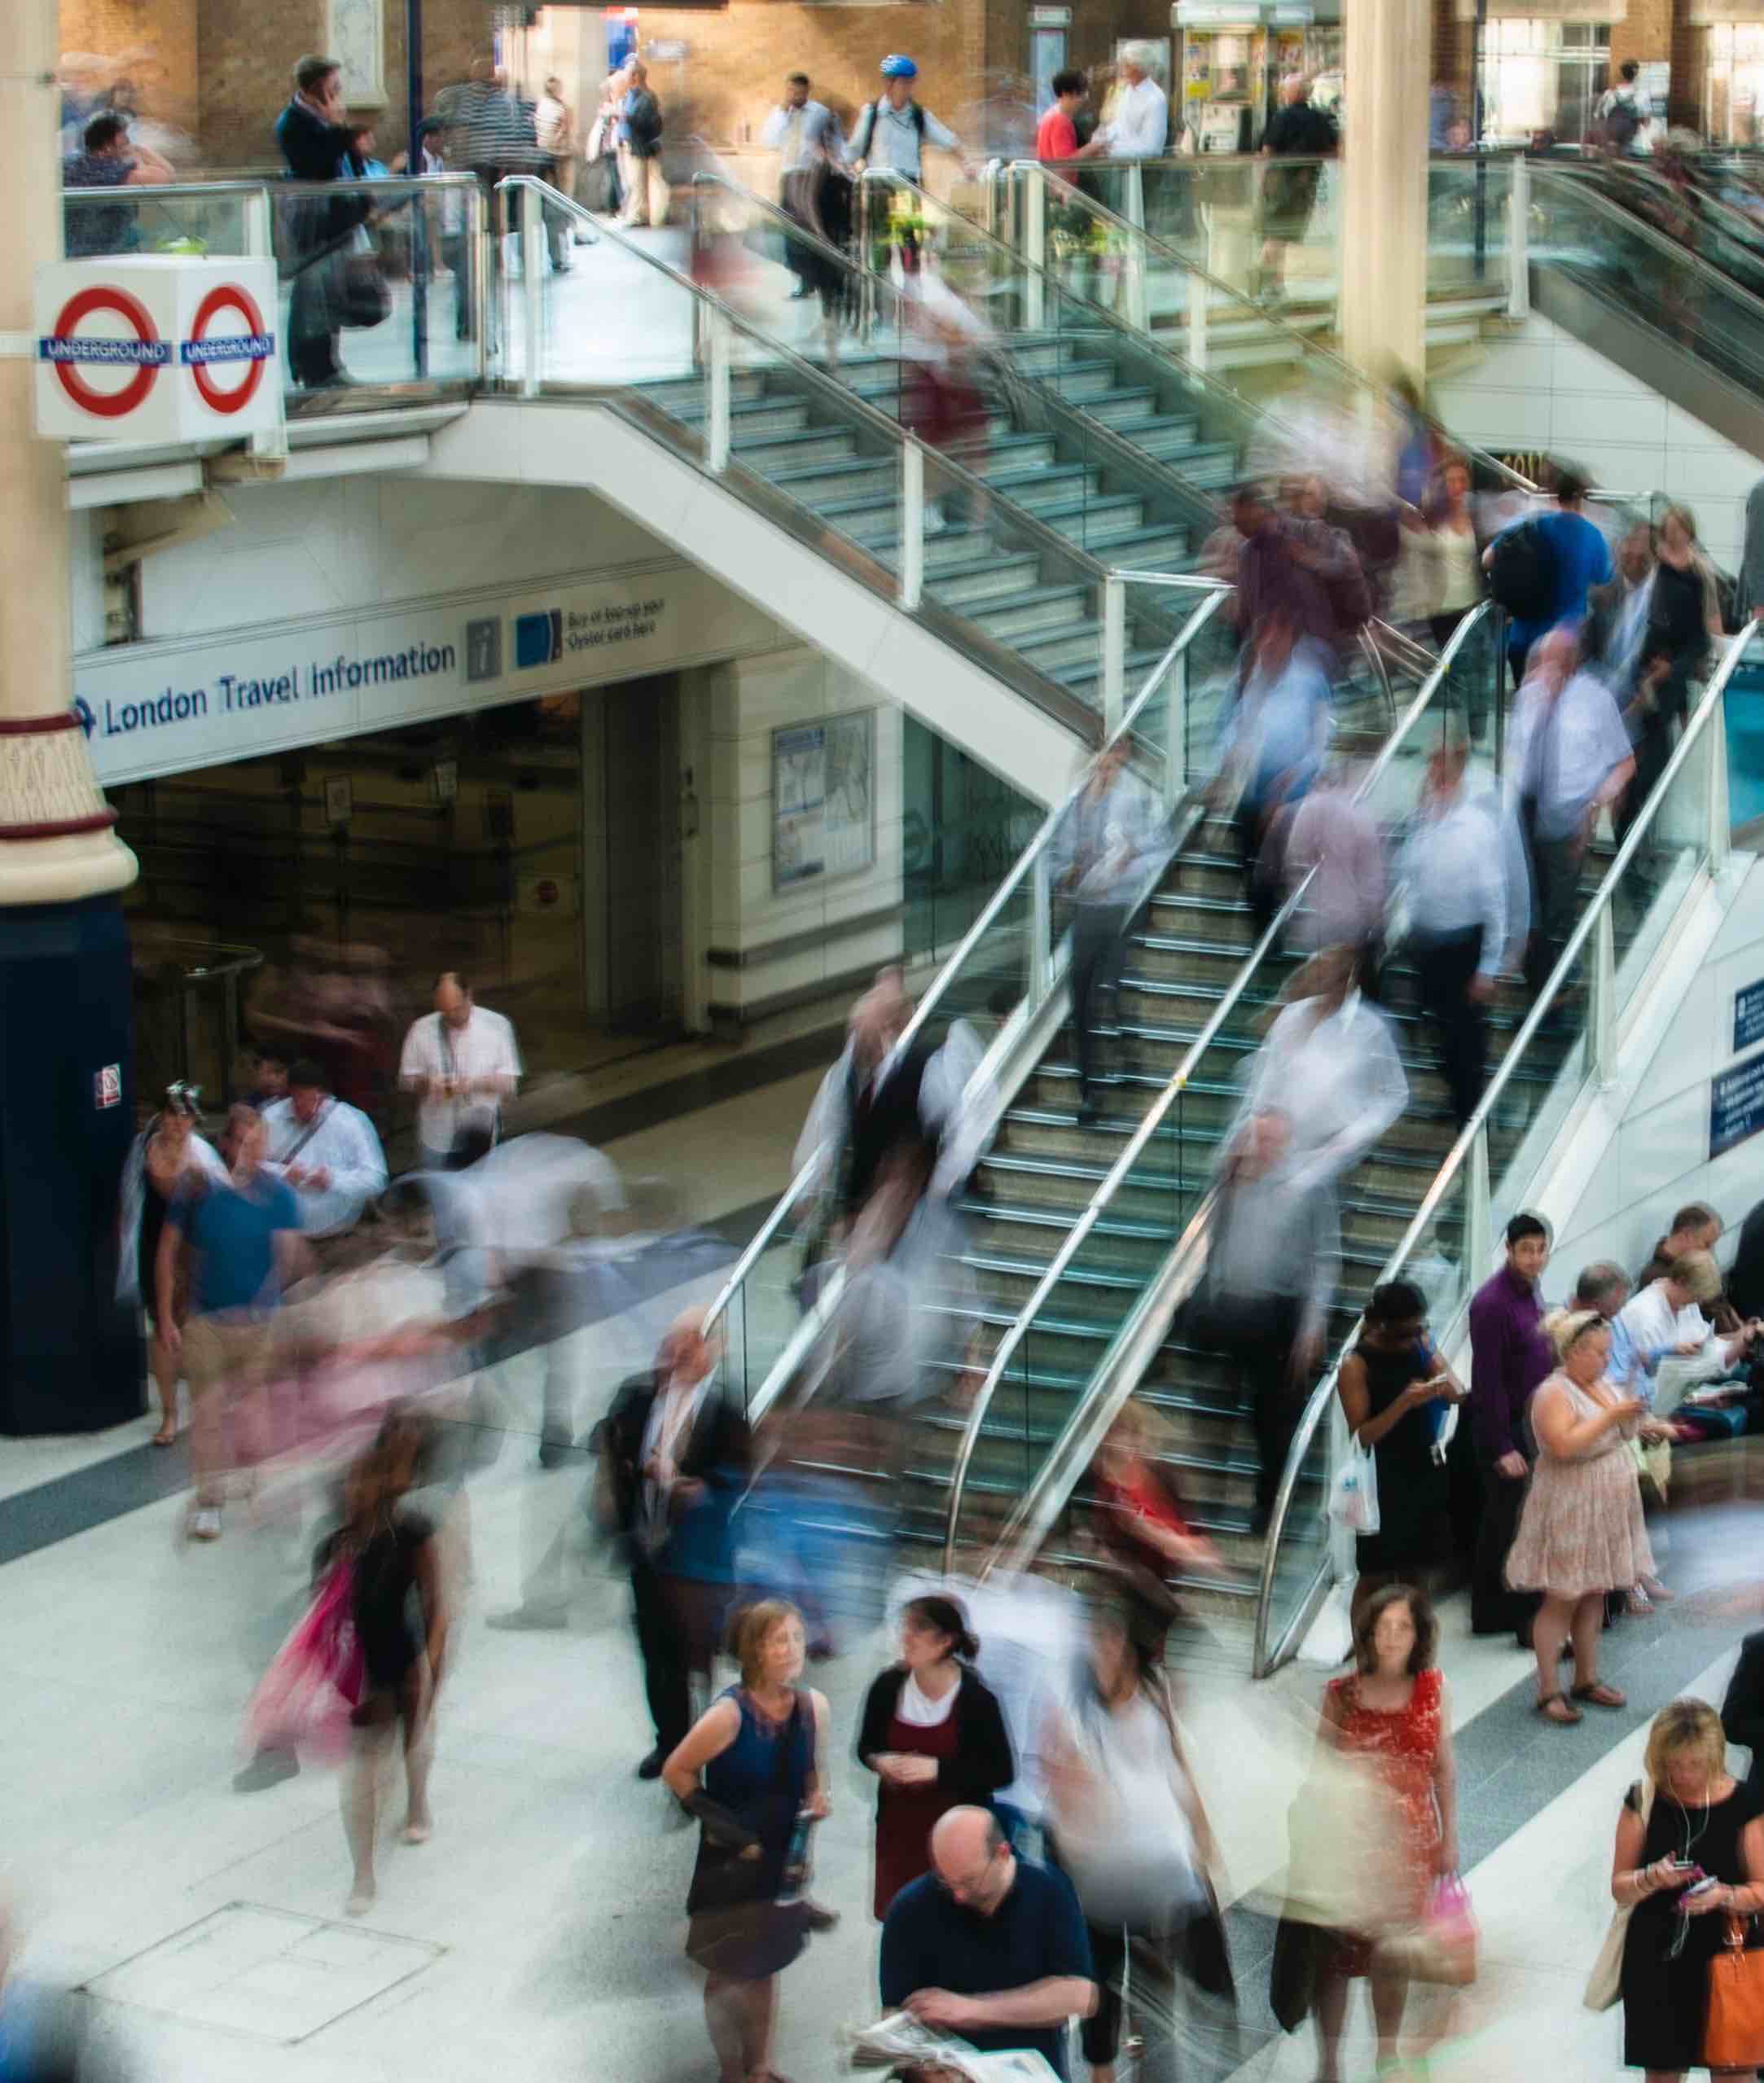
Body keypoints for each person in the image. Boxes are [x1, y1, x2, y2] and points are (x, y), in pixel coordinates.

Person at [1044, 1600, 1231, 2083]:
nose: (1101, 1650)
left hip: (1160, 1862)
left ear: (1128, 1646)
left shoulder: (1155, 1691)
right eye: (1094, 1641)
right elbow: (1061, 1786)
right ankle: (1104, 2067)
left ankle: (1155, 2058)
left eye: (1110, 1640)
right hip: (1097, 1872)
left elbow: (1179, 1762)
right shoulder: (1070, 1708)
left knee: (1171, 1974)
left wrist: (1203, 1837)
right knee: (1101, 1975)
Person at [663, 1600, 831, 2083]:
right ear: (753, 1650)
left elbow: (814, 1775)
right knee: (727, 1972)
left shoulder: (812, 1708)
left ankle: (761, 2066)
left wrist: (818, 1798)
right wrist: (727, 1829)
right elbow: (678, 1771)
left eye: (797, 1638)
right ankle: (731, 2072)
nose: (791, 1649)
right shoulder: (728, 1715)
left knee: (767, 1966)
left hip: (782, 1861)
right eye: (779, 1640)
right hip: (731, 1866)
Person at [1310, 1586, 1458, 2083]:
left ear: (1419, 1635)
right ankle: (1328, 2062)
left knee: (1391, 1956)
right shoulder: (1341, 1694)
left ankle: (1386, 2053)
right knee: (1332, 1959)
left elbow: (1443, 1770)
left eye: (1403, 1627)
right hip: (1347, 1845)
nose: (1392, 1637)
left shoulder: (1433, 1689)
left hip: (1409, 1847)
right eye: (1383, 1627)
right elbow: (1318, 1772)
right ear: (1367, 1634)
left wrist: (1449, 1836)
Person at [312, 1408, 450, 1916]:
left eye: (362, 1482)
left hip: (404, 1655)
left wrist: (432, 1667)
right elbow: (320, 1622)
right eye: (349, 1484)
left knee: (414, 1741)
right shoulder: (334, 1547)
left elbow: (438, 1608)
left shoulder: (413, 1533)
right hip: (361, 1670)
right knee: (363, 1768)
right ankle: (363, 1872)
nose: (354, 1492)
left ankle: (418, 1799)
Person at [602, 1311, 751, 1778]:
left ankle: (702, 1748)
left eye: (694, 1341)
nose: (681, 1350)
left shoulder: (725, 1414)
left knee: (697, 1659)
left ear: (715, 1350)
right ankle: (668, 1742)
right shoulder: (637, 1397)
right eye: (674, 1340)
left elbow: (738, 1483)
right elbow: (609, 1444)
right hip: (647, 1550)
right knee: (655, 1653)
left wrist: (694, 1490)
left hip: (697, 1563)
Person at [156, 1105, 307, 1542]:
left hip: (262, 1324)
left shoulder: (278, 1196)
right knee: (207, 1415)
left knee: (257, 1415)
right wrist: (166, 1315)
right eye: (244, 1142)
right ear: (227, 1143)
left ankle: (256, 1483)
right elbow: (167, 1251)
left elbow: (291, 1259)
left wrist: (291, 1297)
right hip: (208, 1322)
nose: (252, 1151)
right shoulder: (198, 1190)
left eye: (259, 1143)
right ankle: (209, 1501)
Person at [1506, 1308, 1662, 1724]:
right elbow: (1562, 1446)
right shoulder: (1552, 1393)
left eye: (1606, 1353)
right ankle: (1547, 1688)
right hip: (1571, 1501)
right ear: (1571, 1353)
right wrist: (1613, 1416)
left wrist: (1640, 1421)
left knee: (1595, 1591)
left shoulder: (1602, 1385)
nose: (1603, 1361)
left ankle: (1586, 1678)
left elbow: (1619, 1432)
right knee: (1562, 1597)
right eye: (1595, 1353)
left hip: (1607, 1498)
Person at [1191, 1105, 1341, 1536]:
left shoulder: (1308, 1186)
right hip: (1231, 1308)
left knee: (1271, 1419)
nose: (1264, 1148)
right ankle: (1209, 1505)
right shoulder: (1234, 1179)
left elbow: (1325, 1257)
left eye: (1272, 1140)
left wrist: (1313, 1325)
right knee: (1216, 1407)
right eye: (1259, 1139)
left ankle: (1268, 1509)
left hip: (1280, 1312)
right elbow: (1214, 1234)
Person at [880, 1805, 1096, 2081]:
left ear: (1002, 1854)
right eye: (945, 1880)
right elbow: (893, 2015)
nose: (957, 1895)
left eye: (969, 1881)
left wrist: (973, 2010)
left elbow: (1080, 1994)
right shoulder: (909, 1908)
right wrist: (928, 2071)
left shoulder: (1049, 1889)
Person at [1611, 1697, 1764, 2077]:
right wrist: (1652, 1878)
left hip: (1730, 1952)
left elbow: (1762, 1888)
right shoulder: (1643, 1800)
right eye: (1675, 1765)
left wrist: (1724, 1896)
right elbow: (1620, 1887)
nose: (1684, 1776)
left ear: (1713, 1757)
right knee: (1662, 2069)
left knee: (1733, 2070)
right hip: (1657, 1956)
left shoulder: (1745, 1803)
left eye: (1695, 1764)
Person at [857, 1595, 1014, 1919]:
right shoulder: (888, 1686)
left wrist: (938, 1770)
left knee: (950, 1921)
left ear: (946, 1641)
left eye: (919, 1629)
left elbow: (1001, 1771)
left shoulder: (976, 1700)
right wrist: (879, 1762)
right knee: (902, 1919)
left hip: (956, 1843)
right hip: (898, 1832)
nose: (906, 1637)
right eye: (906, 1627)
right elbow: (866, 1747)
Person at [1506, 625, 1635, 995]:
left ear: (1573, 662)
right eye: (1542, 660)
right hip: (1526, 813)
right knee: (1530, 908)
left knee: (1556, 912)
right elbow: (1516, 757)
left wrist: (1595, 806)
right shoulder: (1527, 697)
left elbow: (1625, 763)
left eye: (1555, 661)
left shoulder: (1596, 701)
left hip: (1570, 820)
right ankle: (1542, 983)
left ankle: (1551, 991)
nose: (1546, 669)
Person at [1394, 742, 1510, 1133]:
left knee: (1466, 1035)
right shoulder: (1422, 821)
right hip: (1427, 942)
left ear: (1458, 772)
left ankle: (1473, 1113)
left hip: (1465, 943)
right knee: (1436, 1028)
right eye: (1432, 765)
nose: (1435, 773)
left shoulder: (1477, 827)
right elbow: (1408, 874)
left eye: (1443, 766)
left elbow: (1494, 898)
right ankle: (1454, 1097)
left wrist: (1488, 966)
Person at [1336, 1283, 1468, 1621]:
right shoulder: (1356, 1364)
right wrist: (1404, 1403)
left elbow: (1457, 1394)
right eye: (1408, 1331)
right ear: (1384, 1326)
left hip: (1420, 1468)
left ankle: (1417, 1659)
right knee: (1375, 1575)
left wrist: (1433, 1354)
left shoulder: (1417, 1350)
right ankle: (1367, 1663)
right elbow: (1362, 1435)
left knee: (1416, 1573)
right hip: (1381, 1478)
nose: (1414, 1337)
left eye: (1420, 1328)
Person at [1050, 737, 1162, 1124]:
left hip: (1121, 909)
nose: (1104, 770)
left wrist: (1124, 863)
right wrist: (1070, 875)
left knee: (1114, 988)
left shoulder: (1135, 798)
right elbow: (1055, 861)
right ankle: (1090, 1090)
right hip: (1086, 911)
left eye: (1111, 762)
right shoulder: (1075, 806)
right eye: (1100, 762)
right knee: (1081, 999)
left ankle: (1128, 1056)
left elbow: (1155, 844)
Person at [1244, 945, 1408, 1193]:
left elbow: (1395, 1093)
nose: (1320, 983)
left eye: (1329, 977)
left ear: (1347, 983)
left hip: (1335, 1156)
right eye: (1317, 973)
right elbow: (1267, 1071)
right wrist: (1258, 1123)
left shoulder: (1371, 1028)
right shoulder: (1291, 1016)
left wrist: (1357, 1134)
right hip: (1281, 1150)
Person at [117, 1084, 228, 1447]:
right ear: (161, 1116)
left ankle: (210, 1406)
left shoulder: (204, 1157)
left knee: (199, 1326)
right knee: (162, 1325)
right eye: (172, 1114)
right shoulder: (143, 1149)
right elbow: (130, 1201)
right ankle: (169, 1414)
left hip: (195, 1246)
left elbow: (223, 1209)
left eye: (185, 1116)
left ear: (194, 1121)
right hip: (154, 1244)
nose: (178, 1123)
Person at [1218, 604, 1335, 936]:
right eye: (1262, 642)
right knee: (1247, 859)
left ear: (1288, 642)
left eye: (1275, 640)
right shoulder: (1248, 679)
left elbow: (1321, 741)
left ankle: (1274, 932)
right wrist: (1229, 755)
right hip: (1249, 788)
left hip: (1290, 794)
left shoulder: (1309, 681)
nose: (1268, 648)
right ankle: (1262, 926)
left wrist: (1296, 778)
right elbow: (1229, 726)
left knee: (1273, 864)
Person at [1467, 1211, 1554, 1639]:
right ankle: (1489, 1611)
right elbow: (1487, 1381)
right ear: (1509, 1250)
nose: (1535, 1259)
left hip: (1528, 1423)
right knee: (1502, 1523)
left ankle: (1508, 1605)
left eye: (1541, 1250)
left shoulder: (1529, 1292)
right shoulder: (1492, 1303)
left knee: (1517, 1520)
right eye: (1526, 1251)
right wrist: (1502, 1445)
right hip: (1502, 1428)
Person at [274, 54, 367, 391]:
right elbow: (313, 162)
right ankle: (311, 366)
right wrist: (339, 128)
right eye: (333, 86)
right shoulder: (293, 122)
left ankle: (327, 361)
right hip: (311, 217)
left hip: (336, 215)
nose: (338, 92)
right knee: (312, 292)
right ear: (316, 88)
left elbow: (347, 159)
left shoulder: (320, 120)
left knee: (328, 292)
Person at [1482, 468, 1611, 686]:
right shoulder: (1592, 536)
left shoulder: (1531, 525)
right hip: (1563, 648)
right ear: (1581, 499)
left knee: (1527, 705)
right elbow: (1604, 580)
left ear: (1554, 495)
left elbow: (1487, 559)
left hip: (1522, 639)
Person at [260, 1058, 387, 1263]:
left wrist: (332, 1180)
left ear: (325, 1095)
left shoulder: (352, 1120)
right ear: (290, 1094)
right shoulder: (270, 1118)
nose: (306, 1107)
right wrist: (283, 1173)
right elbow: (250, 1167)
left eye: (314, 1099)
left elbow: (376, 1179)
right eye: (298, 1098)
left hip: (337, 1237)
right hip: (283, 1237)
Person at [1231, 480, 1367, 659]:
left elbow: (1348, 570)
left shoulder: (1309, 532)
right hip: (1268, 650)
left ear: (1257, 510)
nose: (1236, 524)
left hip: (1314, 646)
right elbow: (1245, 612)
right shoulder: (1246, 553)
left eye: (1242, 518)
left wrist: (1311, 561)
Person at [399, 971, 521, 1171]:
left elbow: (510, 1084)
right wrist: (428, 1084)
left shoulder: (497, 1026)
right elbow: (407, 1080)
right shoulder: (421, 1030)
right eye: (445, 1011)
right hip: (437, 1136)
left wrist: (471, 1085)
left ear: (469, 996)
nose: (452, 1016)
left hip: (480, 1134)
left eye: (457, 1009)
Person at [761, 73, 845, 300]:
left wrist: (835, 162)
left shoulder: (820, 113)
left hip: (812, 178)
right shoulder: (780, 114)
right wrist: (782, 113)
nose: (794, 96)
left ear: (808, 91)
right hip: (789, 175)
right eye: (791, 91)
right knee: (791, 231)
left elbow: (835, 142)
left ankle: (820, 277)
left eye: (799, 92)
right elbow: (768, 141)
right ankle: (802, 279)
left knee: (813, 231)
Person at [1257, 76, 1336, 307]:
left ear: (1292, 93)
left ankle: (1267, 285)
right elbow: (1334, 149)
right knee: (1285, 236)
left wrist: (1264, 179)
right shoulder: (1319, 120)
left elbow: (1267, 150)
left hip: (1280, 184)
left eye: (1284, 90)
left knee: (1273, 236)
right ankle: (1275, 285)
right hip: (1306, 186)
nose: (1282, 93)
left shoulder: (1282, 117)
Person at [62, 109, 174, 256]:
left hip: (71, 251)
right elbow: (167, 176)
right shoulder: (111, 171)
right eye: (124, 138)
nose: (128, 141)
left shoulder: (71, 163)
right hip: (106, 253)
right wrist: (139, 152)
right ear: (107, 146)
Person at [849, 56, 969, 186]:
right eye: (902, 82)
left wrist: (966, 164)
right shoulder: (871, 113)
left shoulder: (919, 115)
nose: (907, 87)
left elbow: (948, 141)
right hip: (878, 186)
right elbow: (854, 150)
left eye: (909, 82)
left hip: (909, 186)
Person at [617, 61, 668, 229]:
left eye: (627, 73)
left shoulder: (647, 97)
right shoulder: (633, 94)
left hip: (642, 145)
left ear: (635, 76)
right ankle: (640, 214)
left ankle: (640, 215)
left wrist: (625, 116)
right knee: (635, 182)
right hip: (632, 144)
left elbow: (642, 121)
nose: (624, 77)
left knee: (640, 182)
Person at [533, 72, 577, 269]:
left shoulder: (540, 107)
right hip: (560, 158)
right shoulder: (562, 109)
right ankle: (562, 250)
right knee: (560, 205)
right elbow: (562, 133)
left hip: (543, 159)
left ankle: (559, 250)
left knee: (550, 205)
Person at [1100, 45, 1168, 164]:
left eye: (1126, 65)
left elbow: (1152, 149)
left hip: (1142, 171)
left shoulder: (1156, 99)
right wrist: (1102, 141)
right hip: (1119, 166)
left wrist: (1112, 152)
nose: (1122, 70)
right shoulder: (1127, 90)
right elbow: (1120, 126)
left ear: (1139, 67)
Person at [1036, 69, 1107, 164]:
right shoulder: (1060, 120)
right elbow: (1065, 163)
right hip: (1058, 178)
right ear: (1066, 94)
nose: (1086, 97)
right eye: (1081, 92)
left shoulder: (1051, 115)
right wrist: (1092, 147)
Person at [1594, 58, 1646, 151]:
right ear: (1636, 74)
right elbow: (1645, 123)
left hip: (1610, 144)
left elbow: (1598, 118)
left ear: (1622, 74)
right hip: (1632, 144)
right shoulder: (1641, 96)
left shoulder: (1609, 94)